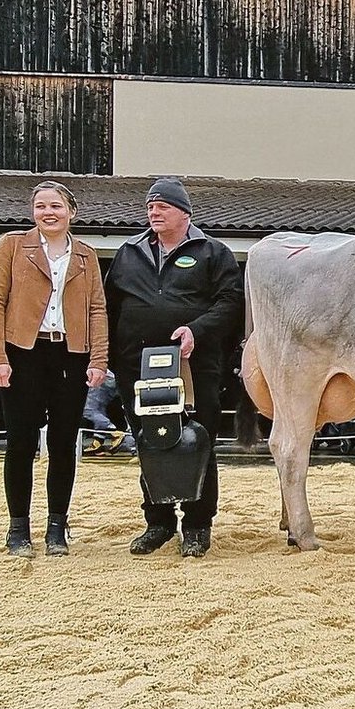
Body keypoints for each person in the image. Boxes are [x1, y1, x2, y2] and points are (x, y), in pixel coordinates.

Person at [106, 177, 244, 558]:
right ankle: (158, 522)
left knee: (197, 441)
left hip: (193, 367)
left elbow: (232, 303)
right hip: (137, 367)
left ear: (185, 212)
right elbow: (109, 306)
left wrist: (197, 330)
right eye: (150, 206)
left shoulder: (213, 252)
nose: (153, 211)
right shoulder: (128, 253)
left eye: (162, 206)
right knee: (150, 441)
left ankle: (198, 525)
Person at [0, 181, 109, 558]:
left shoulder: (86, 255)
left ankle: (57, 526)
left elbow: (97, 310)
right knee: (20, 442)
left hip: (69, 354)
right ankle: (18, 527)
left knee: (63, 442)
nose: (47, 213)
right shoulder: (12, 246)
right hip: (22, 352)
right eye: (40, 206)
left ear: (72, 211)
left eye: (55, 206)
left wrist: (98, 359)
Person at [82, 369, 136, 455]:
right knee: (99, 409)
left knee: (88, 410)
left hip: (101, 376)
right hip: (112, 376)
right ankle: (99, 439)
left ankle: (112, 431)